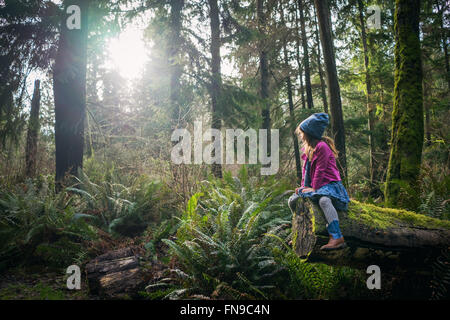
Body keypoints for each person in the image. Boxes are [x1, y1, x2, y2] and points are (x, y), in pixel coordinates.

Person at [288, 113, 350, 250]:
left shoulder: (322, 147)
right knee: (293, 200)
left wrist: (314, 189)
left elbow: (320, 171)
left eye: (302, 133)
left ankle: (336, 236)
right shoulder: (308, 149)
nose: (301, 135)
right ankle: (299, 232)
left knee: (324, 201)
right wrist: (304, 187)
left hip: (330, 185)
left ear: (309, 133)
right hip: (317, 186)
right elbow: (306, 172)